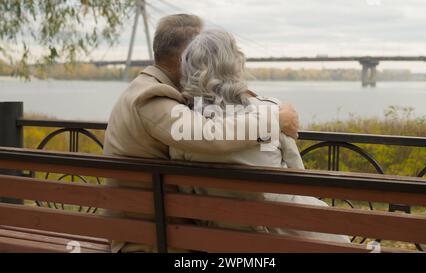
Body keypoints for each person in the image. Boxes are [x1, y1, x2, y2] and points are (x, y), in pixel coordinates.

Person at [103, 14, 301, 253]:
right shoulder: (152, 97)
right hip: (149, 241)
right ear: (186, 55)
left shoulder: (151, 88)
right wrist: (274, 119)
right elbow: (209, 135)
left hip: (169, 230)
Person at [170, 29, 350, 243]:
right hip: (285, 234)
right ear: (235, 64)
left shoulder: (185, 127)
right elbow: (300, 177)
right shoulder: (272, 112)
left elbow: (185, 191)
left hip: (221, 237)